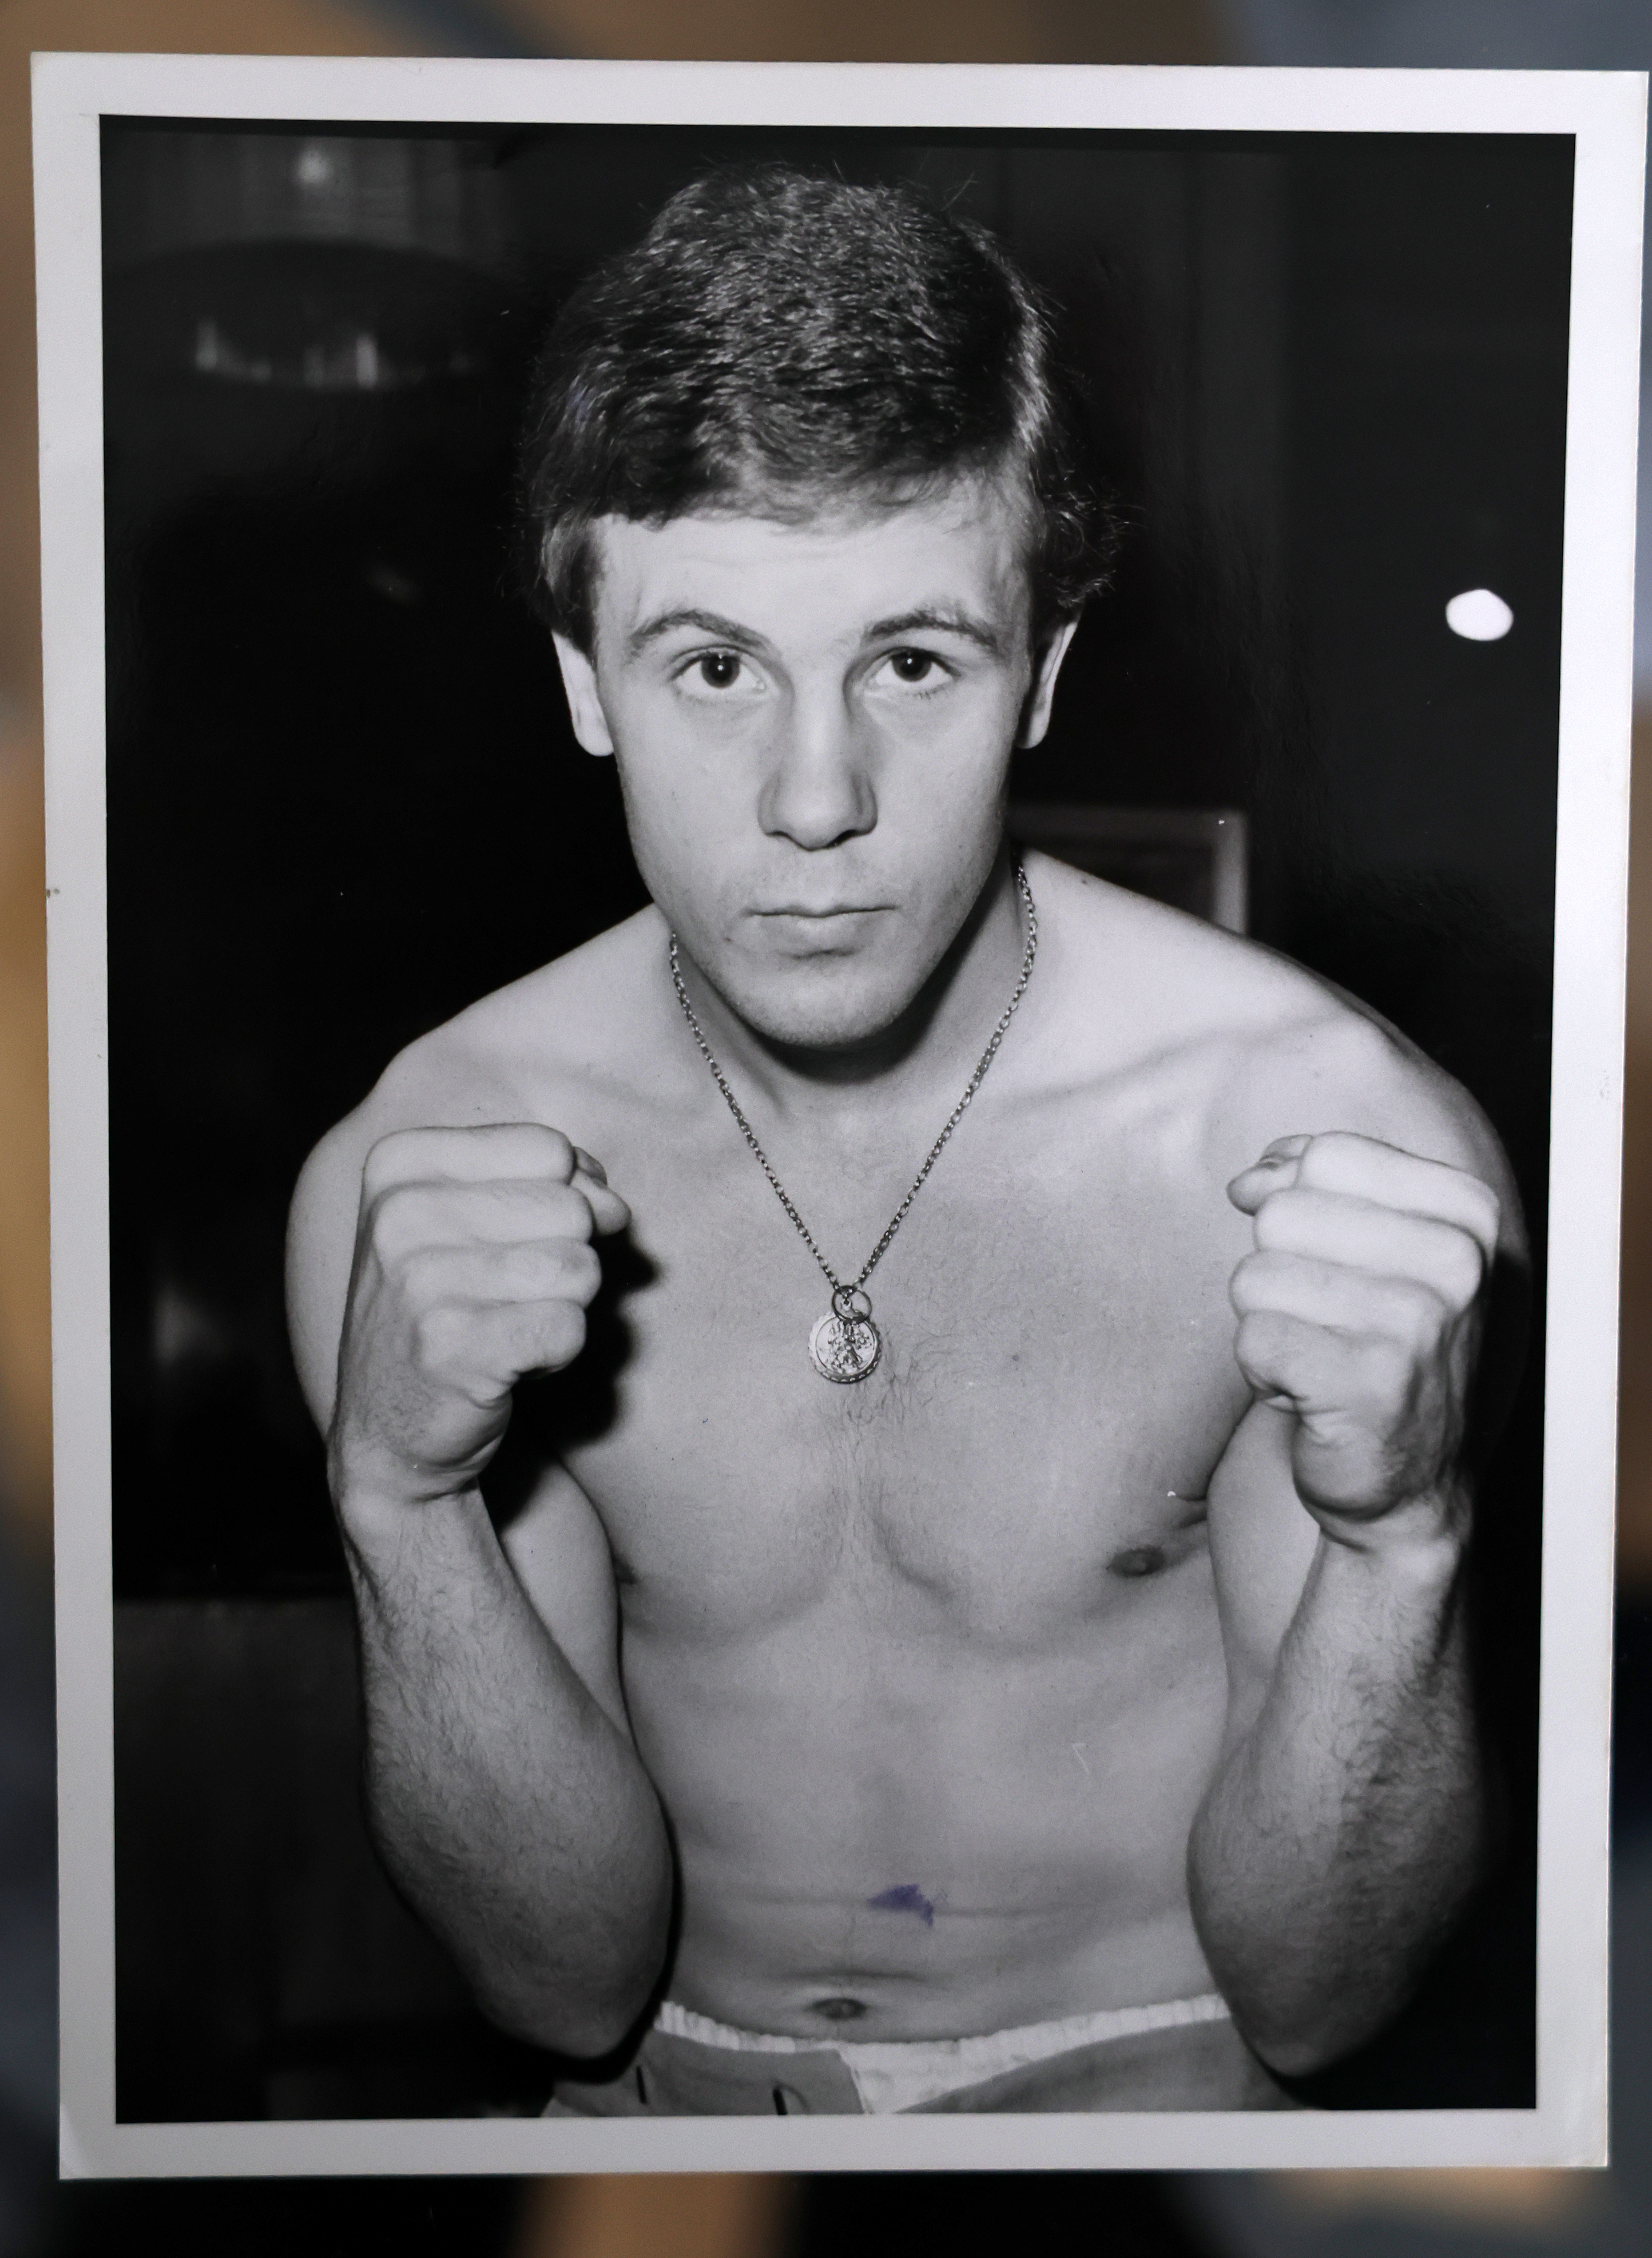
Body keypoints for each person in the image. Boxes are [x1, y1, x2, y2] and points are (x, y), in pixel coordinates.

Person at [285, 167, 1526, 2115]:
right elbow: (557, 1992)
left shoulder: (1324, 1145)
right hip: (670, 2117)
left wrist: (1402, 1539)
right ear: (578, 678)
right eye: (713, 669)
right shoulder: (432, 1174)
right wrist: (398, 1506)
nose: (812, 801)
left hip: (1164, 2111)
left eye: (912, 663)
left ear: (1038, 669)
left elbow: (1321, 2000)